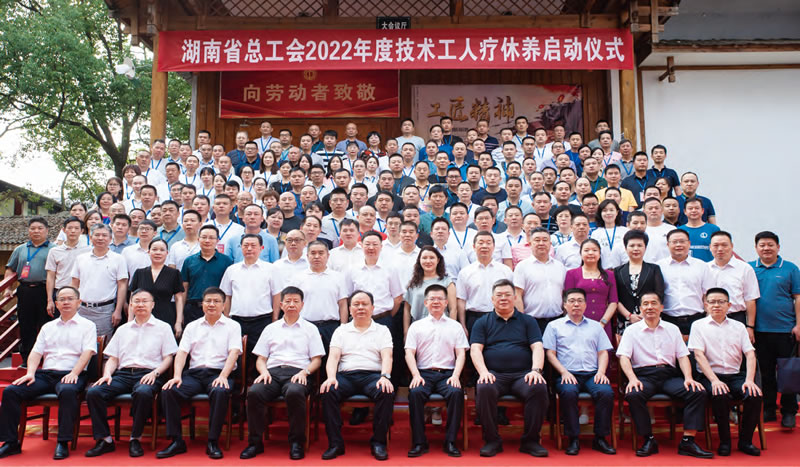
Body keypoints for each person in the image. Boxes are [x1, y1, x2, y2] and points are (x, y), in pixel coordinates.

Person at [0, 286, 96, 460]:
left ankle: (63, 442)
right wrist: (30, 373)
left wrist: (74, 373)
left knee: (67, 391)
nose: (66, 302)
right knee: (11, 391)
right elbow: (36, 352)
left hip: (72, 373)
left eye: (70, 299)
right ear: (56, 304)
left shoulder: (88, 326)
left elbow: (88, 352)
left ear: (78, 302)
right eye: (62, 299)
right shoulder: (48, 327)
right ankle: (10, 442)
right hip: (46, 375)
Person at [617, 291, 712, 458]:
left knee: (697, 391)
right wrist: (632, 379)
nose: (650, 307)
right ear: (640, 308)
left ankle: (688, 441)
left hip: (669, 375)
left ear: (661, 308)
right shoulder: (631, 331)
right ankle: (648, 439)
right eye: (645, 304)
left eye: (653, 303)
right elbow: (624, 357)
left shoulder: (672, 329)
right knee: (633, 394)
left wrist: (688, 378)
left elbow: (682, 356)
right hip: (644, 376)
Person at [84, 289, 177, 458]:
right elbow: (113, 358)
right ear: (131, 305)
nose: (141, 304)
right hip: (123, 374)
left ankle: (135, 438)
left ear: (152, 305)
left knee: (143, 392)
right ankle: (105, 439)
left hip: (149, 373)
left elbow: (168, 358)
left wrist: (155, 373)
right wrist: (107, 374)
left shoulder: (163, 328)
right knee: (94, 392)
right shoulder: (123, 330)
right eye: (137, 301)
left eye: (145, 301)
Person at [157, 287, 242, 460]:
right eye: (208, 301)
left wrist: (223, 376)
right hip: (194, 375)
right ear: (202, 304)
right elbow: (182, 353)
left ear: (224, 305)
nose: (212, 304)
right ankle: (176, 441)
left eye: (216, 301)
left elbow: (234, 353)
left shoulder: (233, 326)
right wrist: (177, 376)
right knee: (169, 391)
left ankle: (213, 441)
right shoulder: (192, 326)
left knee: (220, 391)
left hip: (218, 373)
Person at [242, 286, 325, 460]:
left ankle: (296, 443)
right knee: (254, 392)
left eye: (296, 301)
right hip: (271, 373)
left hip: (298, 373)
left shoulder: (310, 329)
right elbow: (261, 359)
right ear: (281, 305)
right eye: (288, 301)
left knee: (295, 392)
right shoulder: (270, 328)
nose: (291, 304)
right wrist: (263, 372)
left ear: (302, 304)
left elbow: (317, 360)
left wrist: (305, 372)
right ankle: (255, 443)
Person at [471, 279, 549, 457]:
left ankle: (530, 441)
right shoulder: (482, 322)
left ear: (515, 298)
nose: (503, 298)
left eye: (507, 295)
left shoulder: (528, 321)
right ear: (492, 299)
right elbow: (475, 349)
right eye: (499, 295)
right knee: (484, 387)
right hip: (494, 375)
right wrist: (483, 372)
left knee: (538, 386)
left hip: (523, 375)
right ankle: (492, 440)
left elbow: (537, 346)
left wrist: (536, 370)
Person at [319, 290, 395, 461]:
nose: (360, 307)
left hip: (373, 376)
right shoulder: (341, 331)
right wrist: (331, 377)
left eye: (364, 304)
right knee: (328, 391)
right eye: (356, 304)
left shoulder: (382, 330)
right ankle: (335, 444)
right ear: (350, 308)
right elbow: (333, 357)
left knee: (386, 391)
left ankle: (379, 443)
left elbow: (387, 357)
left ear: (372, 308)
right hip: (346, 376)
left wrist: (385, 377)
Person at [688, 288, 763, 457]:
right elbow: (698, 355)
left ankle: (745, 441)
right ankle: (725, 441)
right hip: (709, 376)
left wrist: (749, 380)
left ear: (729, 305)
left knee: (753, 395)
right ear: (706, 305)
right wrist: (714, 380)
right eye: (712, 302)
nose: (716, 305)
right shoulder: (698, 326)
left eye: (721, 302)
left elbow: (750, 354)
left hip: (735, 375)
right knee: (719, 394)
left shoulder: (739, 327)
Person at [543, 288, 616, 456]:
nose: (576, 304)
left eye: (580, 301)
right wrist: (564, 372)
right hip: (567, 374)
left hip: (592, 374)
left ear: (585, 304)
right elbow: (550, 354)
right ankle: (573, 438)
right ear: (564, 305)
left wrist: (601, 372)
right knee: (568, 392)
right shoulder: (554, 326)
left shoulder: (596, 326)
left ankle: (600, 438)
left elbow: (603, 352)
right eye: (572, 301)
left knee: (606, 393)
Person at [405, 284, 469, 458]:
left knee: (455, 393)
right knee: (415, 393)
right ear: (425, 303)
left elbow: (461, 354)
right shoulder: (416, 326)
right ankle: (419, 442)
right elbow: (409, 353)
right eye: (432, 299)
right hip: (423, 373)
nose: (436, 302)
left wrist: (456, 376)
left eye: (440, 299)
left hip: (447, 374)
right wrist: (415, 375)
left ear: (446, 302)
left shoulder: (455, 326)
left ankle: (450, 441)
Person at [749, 231, 800, 427]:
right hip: (760, 330)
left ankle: (789, 411)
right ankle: (768, 409)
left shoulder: (790, 268)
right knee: (766, 372)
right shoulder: (749, 268)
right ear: (756, 248)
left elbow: (798, 297)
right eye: (762, 245)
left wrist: (798, 324)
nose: (766, 248)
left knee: (788, 372)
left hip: (785, 329)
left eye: (770, 245)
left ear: (778, 247)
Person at [284, 241, 349, 354]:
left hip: (331, 327)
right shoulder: (298, 278)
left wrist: (343, 327)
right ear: (307, 255)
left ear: (328, 255)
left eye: (321, 253)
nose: (317, 256)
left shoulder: (338, 277)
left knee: (330, 359)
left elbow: (343, 304)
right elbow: (291, 303)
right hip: (305, 326)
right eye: (313, 253)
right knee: (305, 359)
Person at [3, 217, 54, 361]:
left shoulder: (54, 249)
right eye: (33, 228)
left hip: (45, 290)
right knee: (26, 324)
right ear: (28, 230)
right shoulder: (20, 249)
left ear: (46, 230)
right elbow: (10, 269)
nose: (36, 231)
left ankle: (46, 358)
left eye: (40, 228)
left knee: (46, 324)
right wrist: (8, 289)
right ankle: (27, 358)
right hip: (25, 290)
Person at [71, 224, 128, 338]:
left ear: (110, 239)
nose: (100, 238)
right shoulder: (81, 258)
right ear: (90, 238)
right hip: (81, 308)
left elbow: (122, 285)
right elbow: (74, 283)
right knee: (79, 340)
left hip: (105, 310)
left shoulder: (118, 259)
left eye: (104, 235)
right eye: (97, 235)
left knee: (103, 343)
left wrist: (118, 310)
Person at [657, 229, 714, 337]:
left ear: (689, 243)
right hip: (668, 320)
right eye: (675, 242)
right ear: (668, 245)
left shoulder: (702, 266)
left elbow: (708, 295)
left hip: (696, 319)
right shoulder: (659, 266)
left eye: (682, 241)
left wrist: (709, 317)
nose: (679, 245)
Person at [456, 231, 513, 335]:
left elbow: (512, 298)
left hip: (500, 317)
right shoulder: (465, 272)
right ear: (474, 247)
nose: (484, 246)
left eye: (488, 243)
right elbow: (461, 300)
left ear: (494, 246)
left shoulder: (505, 271)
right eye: (481, 243)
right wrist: (463, 325)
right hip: (474, 317)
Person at [614, 230, 665, 340]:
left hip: (649, 318)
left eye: (639, 245)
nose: (636, 249)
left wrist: (644, 314)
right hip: (625, 320)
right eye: (632, 246)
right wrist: (629, 316)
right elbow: (615, 297)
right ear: (625, 248)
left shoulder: (654, 269)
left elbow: (659, 294)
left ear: (645, 248)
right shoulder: (617, 271)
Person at [513, 227, 567, 332]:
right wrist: (522, 319)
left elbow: (564, 293)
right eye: (537, 240)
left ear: (550, 244)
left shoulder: (560, 266)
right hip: (532, 321)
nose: (541, 243)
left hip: (558, 320)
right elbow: (517, 295)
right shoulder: (522, 266)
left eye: (545, 240)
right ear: (530, 243)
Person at [564, 239, 619, 340]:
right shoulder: (572, 274)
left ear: (599, 254)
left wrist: (603, 322)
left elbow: (613, 302)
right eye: (586, 250)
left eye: (594, 250)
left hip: (603, 323)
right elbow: (568, 301)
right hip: (578, 323)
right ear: (580, 253)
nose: (590, 253)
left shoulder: (609, 275)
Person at [707, 231, 760, 332]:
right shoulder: (705, 268)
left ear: (732, 246)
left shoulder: (745, 268)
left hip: (736, 318)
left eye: (724, 245)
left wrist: (750, 327)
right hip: (710, 319)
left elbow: (750, 299)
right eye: (716, 245)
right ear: (710, 247)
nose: (720, 249)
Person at [180, 225, 234, 323]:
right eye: (204, 237)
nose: (207, 241)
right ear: (198, 239)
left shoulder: (227, 261)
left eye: (211, 238)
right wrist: (180, 315)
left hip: (217, 309)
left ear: (217, 240)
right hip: (193, 309)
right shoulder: (189, 261)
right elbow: (184, 288)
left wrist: (227, 314)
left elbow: (229, 291)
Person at [129, 239, 185, 334]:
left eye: (162, 250)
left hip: (166, 316)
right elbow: (132, 298)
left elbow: (179, 298)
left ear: (167, 253)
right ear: (149, 252)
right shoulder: (139, 273)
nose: (158, 253)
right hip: (141, 316)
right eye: (154, 249)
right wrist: (130, 320)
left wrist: (178, 322)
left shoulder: (174, 273)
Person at [402, 246, 456, 336]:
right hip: (418, 329)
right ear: (419, 260)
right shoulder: (414, 283)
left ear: (438, 260)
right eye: (424, 258)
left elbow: (453, 309)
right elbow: (407, 310)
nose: (428, 261)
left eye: (431, 258)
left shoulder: (447, 282)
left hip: (442, 328)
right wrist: (406, 332)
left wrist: (452, 330)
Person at [45, 216, 92, 319]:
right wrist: (50, 300)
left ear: (82, 231)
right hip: (60, 293)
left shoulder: (88, 251)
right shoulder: (54, 251)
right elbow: (50, 276)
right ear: (64, 230)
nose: (73, 231)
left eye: (76, 228)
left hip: (81, 294)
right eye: (70, 228)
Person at [677, 197, 719, 262]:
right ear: (685, 211)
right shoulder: (679, 231)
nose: (694, 211)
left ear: (702, 211)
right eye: (690, 208)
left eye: (697, 208)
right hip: (686, 266)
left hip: (708, 266)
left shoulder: (713, 229)